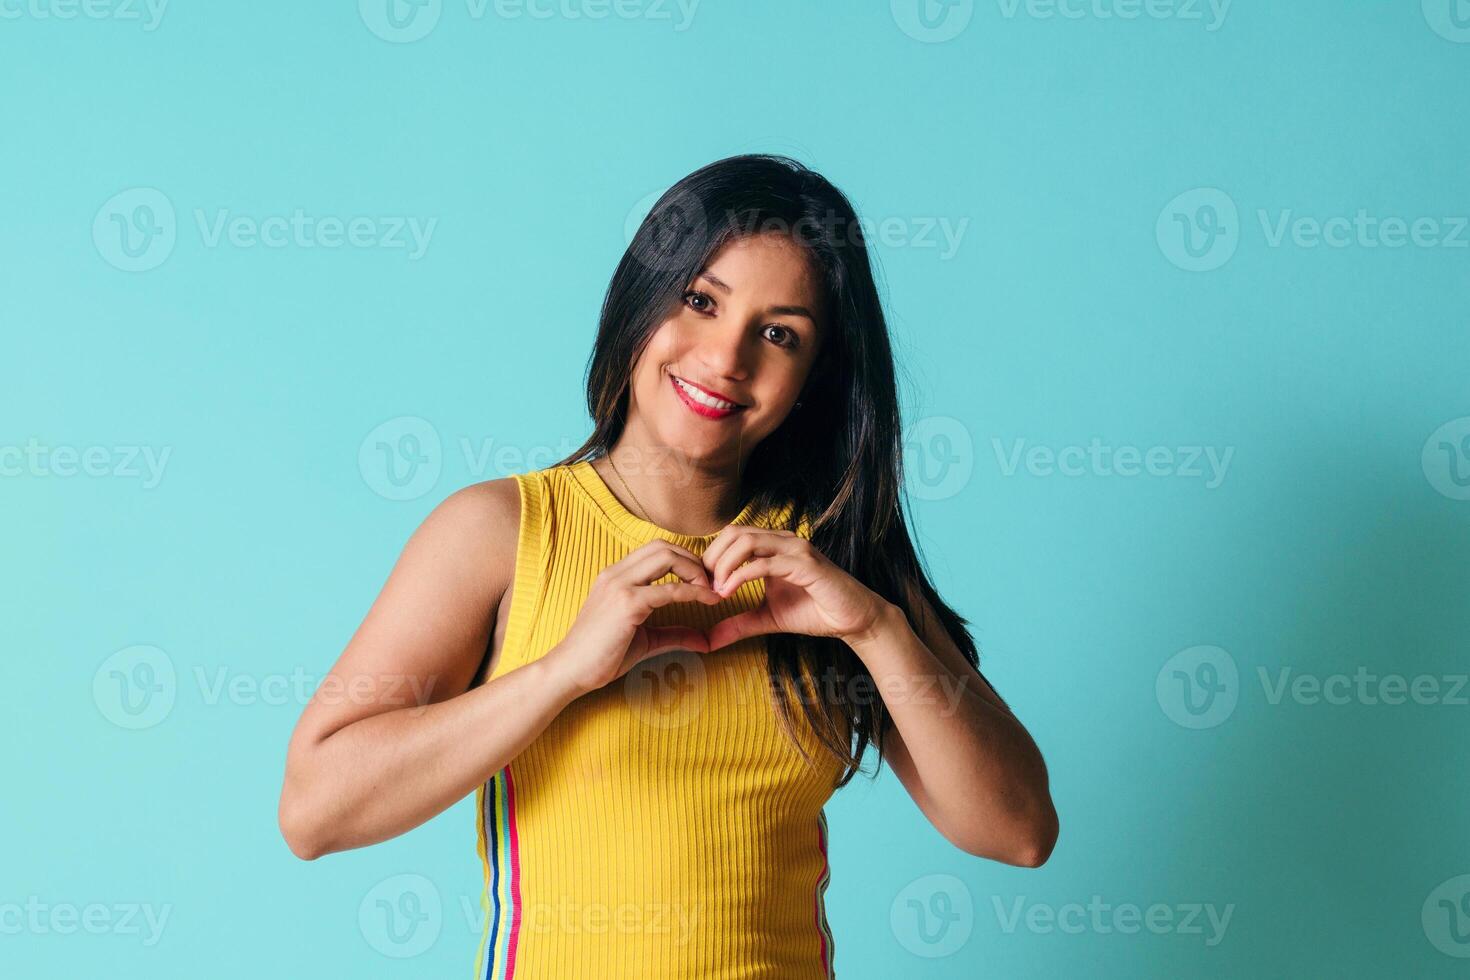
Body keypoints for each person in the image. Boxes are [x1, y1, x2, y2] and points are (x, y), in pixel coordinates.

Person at [277, 153, 1059, 978]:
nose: (727, 358)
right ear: (641, 301)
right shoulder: (500, 531)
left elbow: (1018, 831)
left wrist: (875, 626)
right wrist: (562, 673)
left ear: (813, 378)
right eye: (701, 301)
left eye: (779, 333)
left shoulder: (835, 557)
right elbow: (314, 810)